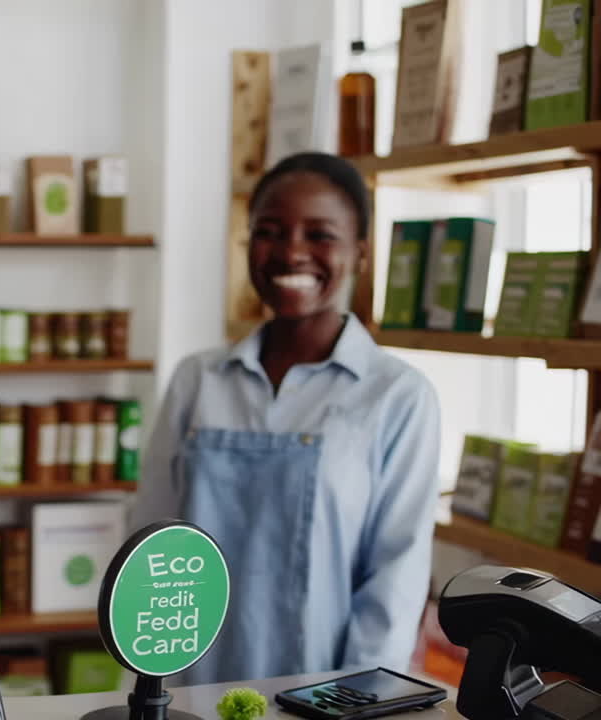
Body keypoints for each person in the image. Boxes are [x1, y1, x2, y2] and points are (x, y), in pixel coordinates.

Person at [136, 152, 441, 685]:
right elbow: (150, 544)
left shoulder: (397, 397)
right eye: (269, 231)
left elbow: (395, 581)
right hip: (187, 689)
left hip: (322, 697)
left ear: (360, 254)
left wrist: (356, 700)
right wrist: (151, 684)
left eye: (320, 234)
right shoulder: (198, 380)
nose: (291, 252)